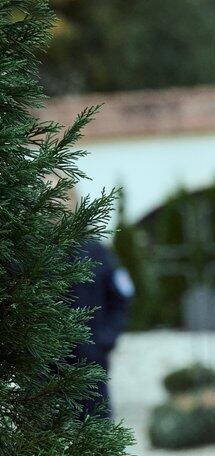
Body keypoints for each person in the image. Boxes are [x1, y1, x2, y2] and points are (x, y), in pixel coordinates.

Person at [54, 177, 133, 419]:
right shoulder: (31, 256)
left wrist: (104, 340)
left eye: (63, 196)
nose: (57, 203)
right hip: (44, 371)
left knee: (95, 430)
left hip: (90, 366)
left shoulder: (96, 251)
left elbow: (122, 296)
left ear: (74, 201)